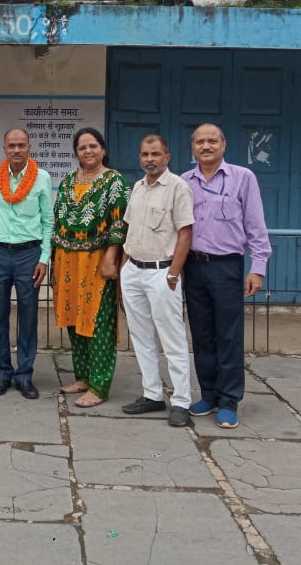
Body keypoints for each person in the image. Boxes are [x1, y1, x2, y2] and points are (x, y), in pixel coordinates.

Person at [182, 123, 271, 429]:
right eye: (200, 142)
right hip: (193, 266)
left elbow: (256, 226)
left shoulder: (243, 178)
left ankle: (229, 400)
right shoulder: (184, 182)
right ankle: (208, 394)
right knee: (202, 333)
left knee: (229, 335)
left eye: (212, 141)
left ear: (224, 144)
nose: (206, 146)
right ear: (193, 147)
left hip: (227, 266)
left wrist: (258, 268)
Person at [118, 134, 194, 427]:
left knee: (172, 338)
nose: (149, 159)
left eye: (155, 154)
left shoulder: (178, 188)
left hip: (162, 272)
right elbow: (130, 230)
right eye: (145, 154)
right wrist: (124, 269)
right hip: (134, 270)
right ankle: (152, 394)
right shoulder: (138, 188)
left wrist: (173, 273)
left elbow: (185, 233)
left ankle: (181, 400)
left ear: (167, 157)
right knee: (141, 336)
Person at [52, 128, 128, 408]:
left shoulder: (115, 181)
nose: (88, 151)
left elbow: (120, 222)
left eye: (93, 146)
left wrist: (111, 257)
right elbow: (58, 218)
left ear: (103, 149)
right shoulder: (68, 180)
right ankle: (82, 377)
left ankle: (99, 385)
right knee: (74, 320)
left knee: (97, 322)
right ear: (76, 153)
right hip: (68, 262)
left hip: (97, 262)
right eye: (82, 147)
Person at [0, 128, 53, 400]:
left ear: (29, 147)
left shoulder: (42, 177)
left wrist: (44, 258)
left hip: (29, 254)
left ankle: (25, 374)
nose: (16, 150)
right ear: (4, 148)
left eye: (21, 145)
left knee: (28, 314)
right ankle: (2, 372)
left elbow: (48, 220)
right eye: (11, 145)